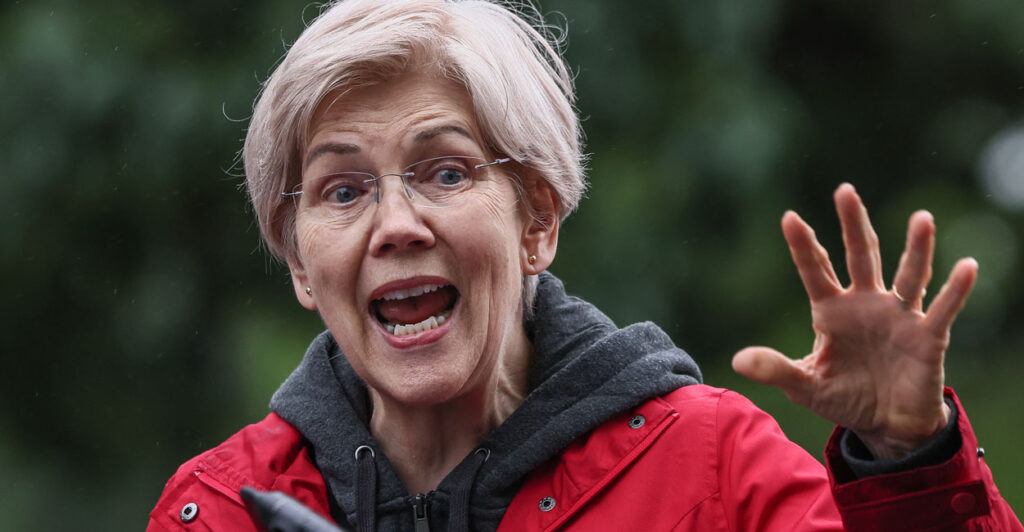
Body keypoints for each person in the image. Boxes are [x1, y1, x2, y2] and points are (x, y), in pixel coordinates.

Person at [147, 0, 1022, 530]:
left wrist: (910, 467)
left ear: (536, 219)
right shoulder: (218, 511)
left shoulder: (719, 472)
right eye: (342, 191)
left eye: (445, 171)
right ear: (300, 263)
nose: (396, 225)